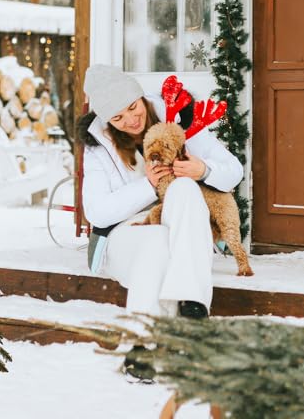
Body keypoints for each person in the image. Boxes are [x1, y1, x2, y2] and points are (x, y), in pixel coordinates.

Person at [78, 64, 244, 321]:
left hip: (178, 223)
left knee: (186, 187)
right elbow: (97, 213)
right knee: (156, 242)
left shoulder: (178, 118)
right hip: (124, 231)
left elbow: (234, 170)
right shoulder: (98, 145)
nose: (131, 121)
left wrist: (203, 171)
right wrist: (148, 186)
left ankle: (151, 337)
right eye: (118, 118)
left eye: (133, 107)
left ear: (140, 95)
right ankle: (183, 319)